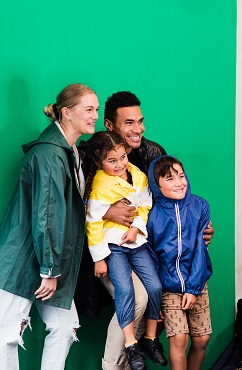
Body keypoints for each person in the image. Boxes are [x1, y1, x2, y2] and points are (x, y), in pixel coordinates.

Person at [77, 91, 215, 370]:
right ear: (109, 126)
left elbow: (169, 202)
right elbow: (73, 205)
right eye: (129, 123)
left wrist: (197, 228)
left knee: (149, 294)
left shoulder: (152, 153)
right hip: (106, 248)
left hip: (144, 247)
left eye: (140, 121)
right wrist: (107, 211)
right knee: (136, 298)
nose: (138, 129)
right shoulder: (90, 154)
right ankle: (113, 365)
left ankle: (131, 358)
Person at [0, 83, 99, 370]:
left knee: (64, 327)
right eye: (89, 109)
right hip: (23, 259)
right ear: (67, 112)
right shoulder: (48, 155)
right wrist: (49, 269)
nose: (95, 115)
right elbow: (47, 215)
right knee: (8, 334)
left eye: (97, 109)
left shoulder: (69, 152)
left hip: (48, 259)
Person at [85, 131, 167, 370]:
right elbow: (92, 221)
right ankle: (128, 349)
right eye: (112, 160)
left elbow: (145, 204)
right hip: (113, 248)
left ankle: (148, 341)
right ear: (100, 162)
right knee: (128, 294)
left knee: (153, 288)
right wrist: (99, 258)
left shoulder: (138, 173)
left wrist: (137, 228)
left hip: (136, 243)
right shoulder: (100, 184)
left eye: (122, 157)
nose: (120, 164)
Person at [147, 156, 213, 370]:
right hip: (168, 288)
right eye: (170, 178)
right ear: (157, 185)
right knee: (179, 339)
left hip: (197, 282)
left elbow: (200, 250)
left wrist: (193, 288)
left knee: (202, 339)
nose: (179, 183)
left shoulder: (200, 206)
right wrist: (155, 299)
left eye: (181, 176)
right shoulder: (152, 214)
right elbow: (150, 257)